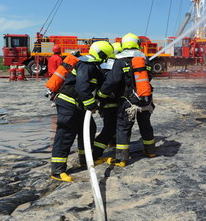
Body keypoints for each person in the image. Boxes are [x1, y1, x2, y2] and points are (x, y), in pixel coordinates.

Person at [50, 41, 114, 182]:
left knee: (90, 128)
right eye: (106, 56)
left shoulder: (92, 66)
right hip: (69, 103)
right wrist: (91, 104)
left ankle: (86, 159)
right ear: (102, 55)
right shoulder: (86, 64)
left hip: (78, 105)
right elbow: (81, 86)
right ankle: (57, 170)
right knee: (65, 134)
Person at [97, 32, 155, 167]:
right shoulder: (144, 59)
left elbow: (112, 81)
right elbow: (149, 77)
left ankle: (121, 159)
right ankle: (151, 151)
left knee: (123, 128)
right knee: (146, 126)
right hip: (146, 100)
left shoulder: (120, 61)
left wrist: (101, 94)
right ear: (137, 44)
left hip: (128, 103)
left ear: (123, 45)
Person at [92, 42, 123, 162]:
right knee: (109, 128)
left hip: (104, 102)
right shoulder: (114, 67)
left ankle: (112, 143)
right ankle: (96, 151)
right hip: (111, 102)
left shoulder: (103, 65)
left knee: (111, 125)